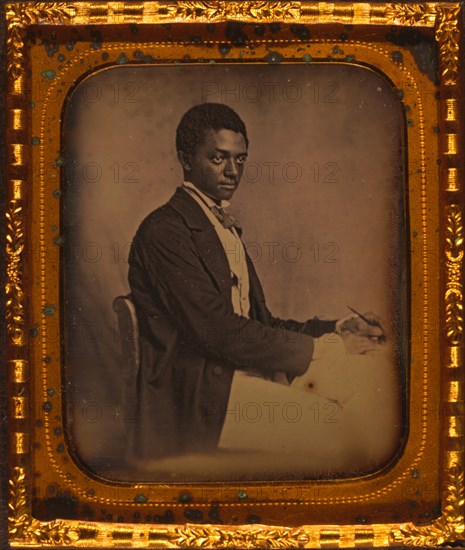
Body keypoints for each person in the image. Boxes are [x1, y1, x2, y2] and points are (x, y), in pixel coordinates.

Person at [127, 103, 384, 459]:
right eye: (218, 158)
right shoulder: (164, 232)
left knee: (372, 382)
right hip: (201, 396)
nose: (233, 171)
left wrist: (338, 329)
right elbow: (220, 331)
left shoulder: (221, 227)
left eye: (241, 159)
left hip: (241, 374)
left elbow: (261, 323)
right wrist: (330, 349)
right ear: (186, 159)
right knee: (335, 428)